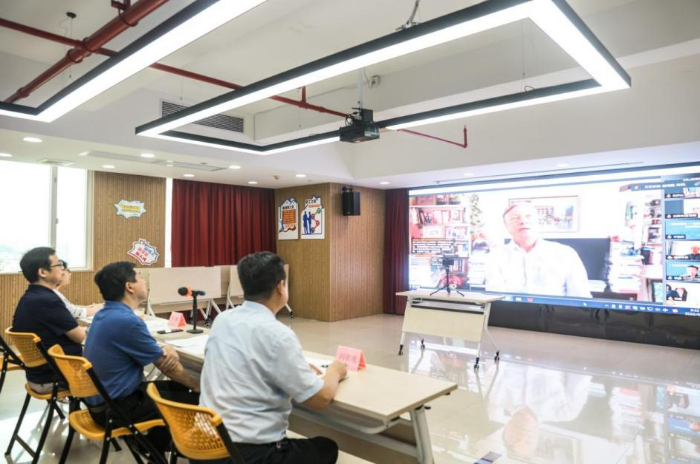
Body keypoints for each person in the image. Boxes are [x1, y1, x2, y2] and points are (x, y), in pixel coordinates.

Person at [199, 251, 346, 464]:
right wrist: (335, 371)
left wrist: (294, 365)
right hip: (247, 455)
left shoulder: (223, 319)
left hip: (203, 446)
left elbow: (249, 357)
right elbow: (320, 399)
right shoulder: (279, 334)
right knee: (326, 447)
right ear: (280, 286)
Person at [84, 261, 200, 456]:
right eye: (140, 277)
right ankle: (173, 449)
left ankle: (153, 444)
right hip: (117, 409)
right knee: (198, 397)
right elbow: (167, 367)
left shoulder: (105, 314)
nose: (144, 281)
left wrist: (164, 348)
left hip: (102, 404)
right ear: (129, 287)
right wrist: (198, 385)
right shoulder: (127, 321)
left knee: (180, 388)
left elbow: (147, 349)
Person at [12, 247, 86, 393]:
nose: (62, 269)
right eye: (59, 265)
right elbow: (80, 336)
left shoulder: (32, 296)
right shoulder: (48, 300)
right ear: (43, 272)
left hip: (41, 375)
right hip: (57, 377)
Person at [485, 203, 592, 297]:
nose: (523, 221)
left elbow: (580, 297)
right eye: (515, 218)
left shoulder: (565, 253)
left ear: (538, 222)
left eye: (528, 216)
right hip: (510, 313)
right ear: (506, 226)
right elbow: (495, 298)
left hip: (557, 313)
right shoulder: (496, 256)